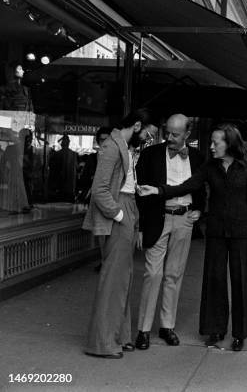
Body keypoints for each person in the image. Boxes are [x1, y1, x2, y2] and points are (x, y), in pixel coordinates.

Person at [139, 123, 247, 352]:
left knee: (240, 281)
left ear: (230, 143)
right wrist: (159, 191)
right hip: (215, 230)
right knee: (214, 280)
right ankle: (215, 330)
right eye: (211, 142)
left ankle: (240, 333)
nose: (211, 147)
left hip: (240, 232)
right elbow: (188, 186)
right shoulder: (209, 168)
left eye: (216, 143)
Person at [132, 114, 204, 350]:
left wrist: (199, 209)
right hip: (156, 218)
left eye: (175, 134)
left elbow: (202, 186)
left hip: (184, 219)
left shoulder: (197, 157)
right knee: (152, 274)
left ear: (187, 134)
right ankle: (143, 330)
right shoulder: (150, 154)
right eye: (167, 132)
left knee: (174, 274)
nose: (169, 138)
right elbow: (140, 193)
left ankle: (167, 326)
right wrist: (141, 227)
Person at [81, 111, 144, 358]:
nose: (149, 137)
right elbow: (99, 190)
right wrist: (119, 215)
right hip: (119, 211)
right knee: (113, 280)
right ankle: (103, 342)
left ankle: (118, 336)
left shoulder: (120, 145)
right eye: (147, 132)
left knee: (122, 279)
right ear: (137, 125)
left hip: (126, 207)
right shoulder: (112, 146)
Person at [48, 135, 78, 202]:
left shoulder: (57, 154)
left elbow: (52, 170)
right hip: (68, 187)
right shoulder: (73, 154)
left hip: (61, 187)